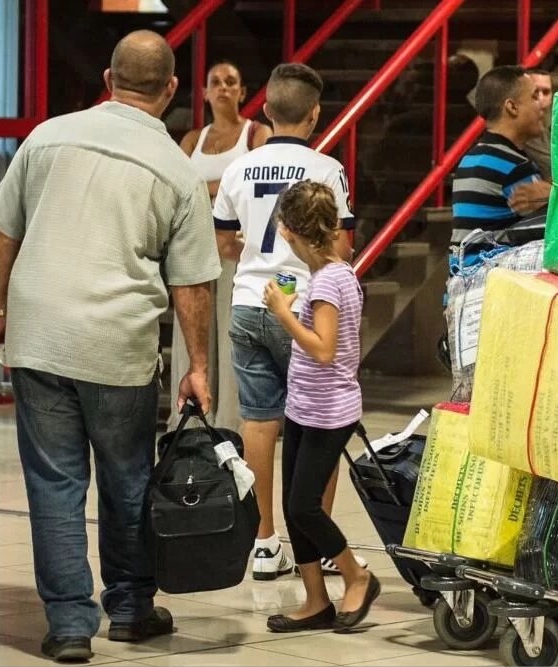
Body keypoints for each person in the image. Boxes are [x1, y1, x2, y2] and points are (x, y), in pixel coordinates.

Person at [0, 30, 219, 662]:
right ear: (172, 89)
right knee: (127, 479)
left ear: (107, 78)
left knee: (54, 483)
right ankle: (128, 608)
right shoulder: (176, 168)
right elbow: (192, 284)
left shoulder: (46, 137)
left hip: (39, 338)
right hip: (116, 345)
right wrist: (198, 366)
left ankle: (68, 626)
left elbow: (2, 231)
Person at [213, 62, 361, 581]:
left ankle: (265, 541)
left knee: (257, 420)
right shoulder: (326, 169)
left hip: (249, 302)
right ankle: (320, 546)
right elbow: (341, 243)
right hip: (305, 307)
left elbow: (224, 240)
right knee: (318, 423)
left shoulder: (238, 169)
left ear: (267, 110)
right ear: (316, 114)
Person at [261, 180, 379, 632]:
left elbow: (325, 349)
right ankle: (315, 601)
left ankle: (356, 575)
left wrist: (282, 312)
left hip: (329, 412)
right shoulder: (330, 272)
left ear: (288, 231)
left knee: (306, 506)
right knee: (294, 507)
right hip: (306, 406)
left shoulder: (330, 280)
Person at [169, 60, 272, 433]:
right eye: (216, 81)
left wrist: (205, 189)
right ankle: (190, 424)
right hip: (195, 250)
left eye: (232, 81)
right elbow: (175, 189)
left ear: (243, 92)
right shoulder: (193, 139)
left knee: (231, 336)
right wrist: (218, 188)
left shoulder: (257, 134)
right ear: (205, 92)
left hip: (236, 250)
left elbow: (258, 187)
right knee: (190, 336)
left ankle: (231, 425)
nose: (224, 87)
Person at [451, 65, 549, 254]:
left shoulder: (473, 157)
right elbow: (555, 226)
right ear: (512, 107)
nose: (542, 106)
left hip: (461, 273)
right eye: (534, 97)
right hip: (486, 273)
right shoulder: (513, 166)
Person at [522, 67, 553, 181]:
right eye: (535, 92)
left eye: (546, 92)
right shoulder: (519, 134)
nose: (540, 99)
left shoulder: (556, 131)